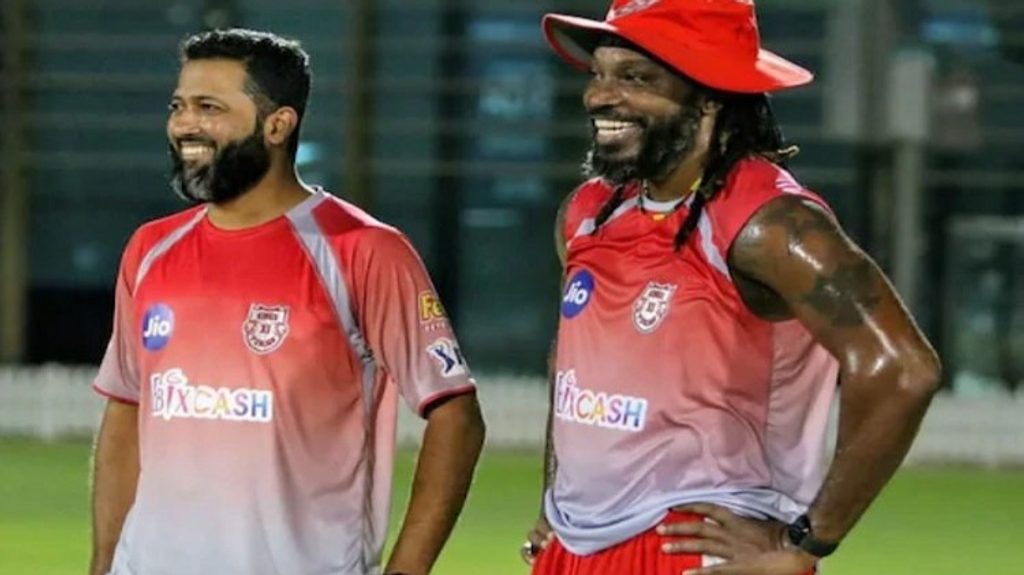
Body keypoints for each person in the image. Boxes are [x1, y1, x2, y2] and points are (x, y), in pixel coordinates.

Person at [525, 1, 941, 574]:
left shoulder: (770, 224)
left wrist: (806, 544)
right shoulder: (588, 212)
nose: (600, 97)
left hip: (695, 544)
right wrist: (556, 496)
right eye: (599, 74)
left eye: (636, 78)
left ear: (710, 96)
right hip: (573, 548)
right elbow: (570, 361)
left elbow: (903, 370)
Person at [89, 28, 484, 575]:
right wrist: (104, 562)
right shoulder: (151, 249)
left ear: (278, 124)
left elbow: (456, 417)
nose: (185, 125)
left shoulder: (362, 251)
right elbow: (127, 409)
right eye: (178, 106)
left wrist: (407, 567)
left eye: (209, 107)